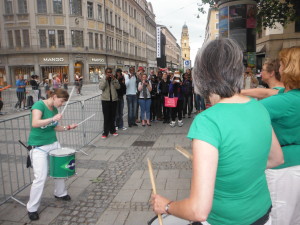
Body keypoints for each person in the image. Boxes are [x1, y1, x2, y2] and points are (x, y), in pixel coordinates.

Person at [151, 38, 284, 225]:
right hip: (262, 214)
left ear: (203, 74)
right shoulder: (259, 108)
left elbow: (198, 211)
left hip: (223, 220)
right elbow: (277, 158)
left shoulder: (207, 121)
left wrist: (166, 206)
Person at [260, 47, 300, 225]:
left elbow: (248, 112)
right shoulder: (290, 96)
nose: (280, 69)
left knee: (279, 217)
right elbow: (271, 92)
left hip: (285, 167)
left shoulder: (287, 101)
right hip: (292, 164)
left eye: (282, 65)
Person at [26, 88, 78, 221]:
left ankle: (60, 193)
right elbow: (35, 123)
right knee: (40, 178)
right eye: (61, 101)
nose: (61, 104)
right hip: (38, 146)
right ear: (54, 97)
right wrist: (52, 118)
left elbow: (54, 127)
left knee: (59, 171)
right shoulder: (39, 105)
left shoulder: (54, 109)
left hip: (53, 144)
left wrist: (68, 127)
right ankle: (32, 208)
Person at [99, 68, 120, 138]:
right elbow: (101, 87)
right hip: (105, 100)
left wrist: (114, 80)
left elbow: (118, 87)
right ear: (105, 73)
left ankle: (113, 130)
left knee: (113, 116)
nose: (109, 74)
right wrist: (105, 79)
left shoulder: (114, 79)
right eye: (108, 72)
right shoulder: (103, 79)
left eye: (110, 72)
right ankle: (105, 132)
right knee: (106, 117)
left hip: (113, 100)